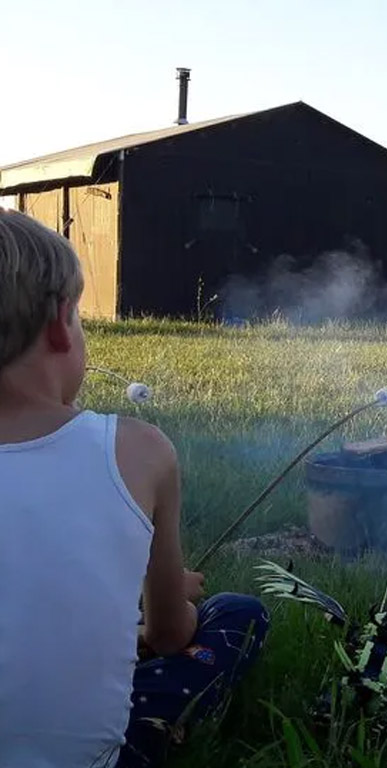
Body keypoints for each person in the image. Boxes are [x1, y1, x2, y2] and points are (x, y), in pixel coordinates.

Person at [0, 210, 269, 768]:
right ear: (60, 322)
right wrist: (144, 618)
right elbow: (172, 634)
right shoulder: (137, 450)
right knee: (239, 613)